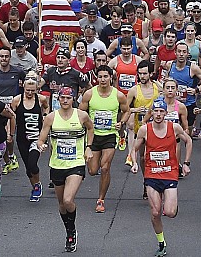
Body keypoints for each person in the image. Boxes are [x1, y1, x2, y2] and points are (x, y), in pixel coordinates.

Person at [131, 96, 194, 257]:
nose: (158, 114)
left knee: (170, 212)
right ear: (151, 113)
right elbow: (134, 148)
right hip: (152, 174)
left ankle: (172, 206)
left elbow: (188, 141)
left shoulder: (174, 128)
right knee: (155, 212)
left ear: (166, 113)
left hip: (170, 173)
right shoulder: (145, 129)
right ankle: (161, 243)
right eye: (156, 111)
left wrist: (186, 163)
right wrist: (134, 163)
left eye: (161, 111)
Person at [37, 87, 96, 253]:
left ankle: (71, 232)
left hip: (76, 163)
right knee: (62, 204)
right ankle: (69, 229)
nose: (65, 101)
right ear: (58, 99)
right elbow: (41, 139)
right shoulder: (51, 118)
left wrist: (88, 147)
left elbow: (91, 129)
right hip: (57, 165)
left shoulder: (81, 116)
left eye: (68, 98)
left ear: (73, 99)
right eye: (62, 98)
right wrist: (41, 145)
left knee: (68, 200)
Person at [79, 65, 129, 213]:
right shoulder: (89, 94)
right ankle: (94, 168)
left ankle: (101, 200)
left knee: (105, 167)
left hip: (110, 135)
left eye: (105, 76)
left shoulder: (118, 95)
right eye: (100, 76)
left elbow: (127, 111)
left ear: (111, 78)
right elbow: (80, 112)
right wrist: (85, 125)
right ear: (97, 78)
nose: (103, 79)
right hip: (93, 136)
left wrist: (122, 122)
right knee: (93, 171)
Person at [10, 77, 47, 202]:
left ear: (37, 90)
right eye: (27, 90)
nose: (30, 93)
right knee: (28, 168)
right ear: (23, 89)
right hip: (22, 138)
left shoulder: (41, 99)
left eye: (32, 90)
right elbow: (11, 117)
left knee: (32, 164)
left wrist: (45, 116)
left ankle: (37, 185)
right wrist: (10, 134)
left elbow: (46, 107)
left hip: (37, 138)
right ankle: (35, 186)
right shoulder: (17, 100)